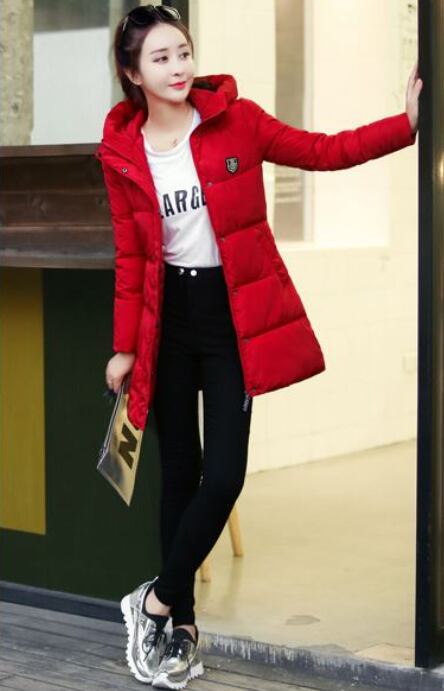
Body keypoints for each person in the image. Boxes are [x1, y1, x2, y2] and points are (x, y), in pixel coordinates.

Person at [95, 4, 422, 688]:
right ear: (133, 73)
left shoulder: (236, 121)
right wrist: (124, 347)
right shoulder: (123, 150)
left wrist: (407, 125)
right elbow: (131, 254)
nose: (178, 67)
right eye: (161, 58)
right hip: (167, 323)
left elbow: (324, 150)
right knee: (178, 474)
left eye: (183, 52)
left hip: (230, 318)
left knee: (224, 476)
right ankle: (180, 630)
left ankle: (153, 601)